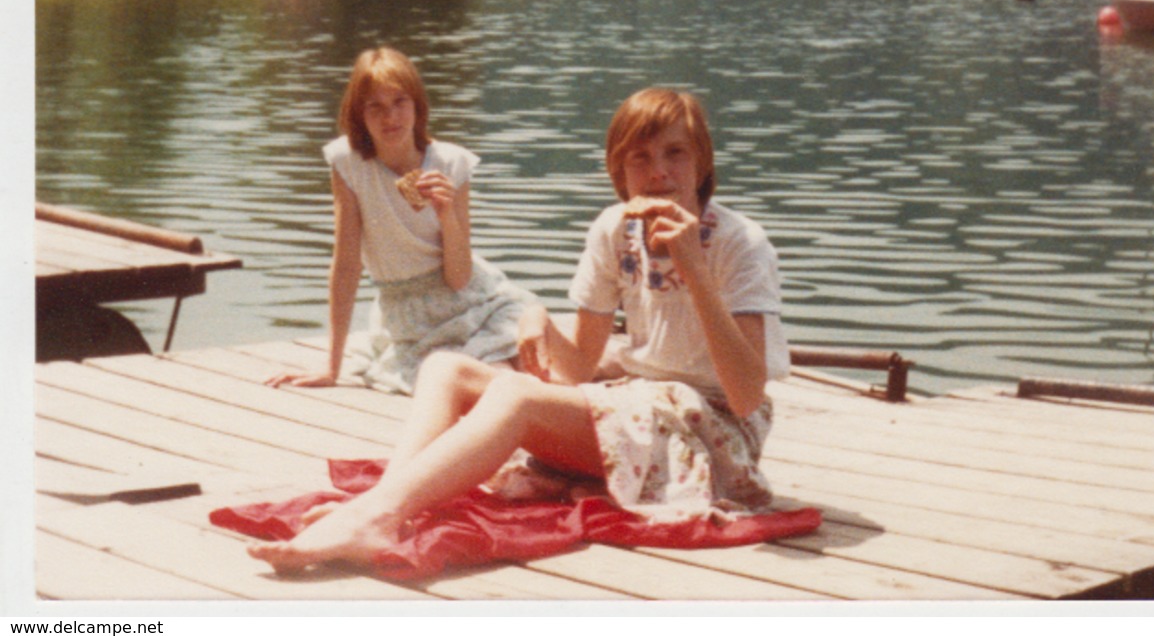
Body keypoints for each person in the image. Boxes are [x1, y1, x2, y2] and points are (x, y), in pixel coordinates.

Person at [248, 86, 790, 573]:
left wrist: (694, 267)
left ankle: (375, 517)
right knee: (445, 366)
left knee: (514, 395)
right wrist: (536, 318)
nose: (659, 174)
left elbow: (745, 396)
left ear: (702, 163)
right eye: (640, 159)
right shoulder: (613, 231)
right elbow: (577, 368)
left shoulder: (740, 244)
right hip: (642, 405)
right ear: (618, 172)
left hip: (715, 435)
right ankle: (387, 500)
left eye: (676, 154)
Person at [265, 46, 535, 395]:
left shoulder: (451, 163)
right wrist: (330, 367)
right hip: (409, 319)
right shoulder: (349, 163)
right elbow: (346, 265)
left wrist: (446, 215)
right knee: (493, 384)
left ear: (418, 106)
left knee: (539, 371)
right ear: (358, 114)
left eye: (399, 102)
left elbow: (459, 279)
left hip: (475, 303)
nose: (389, 117)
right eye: (374, 105)